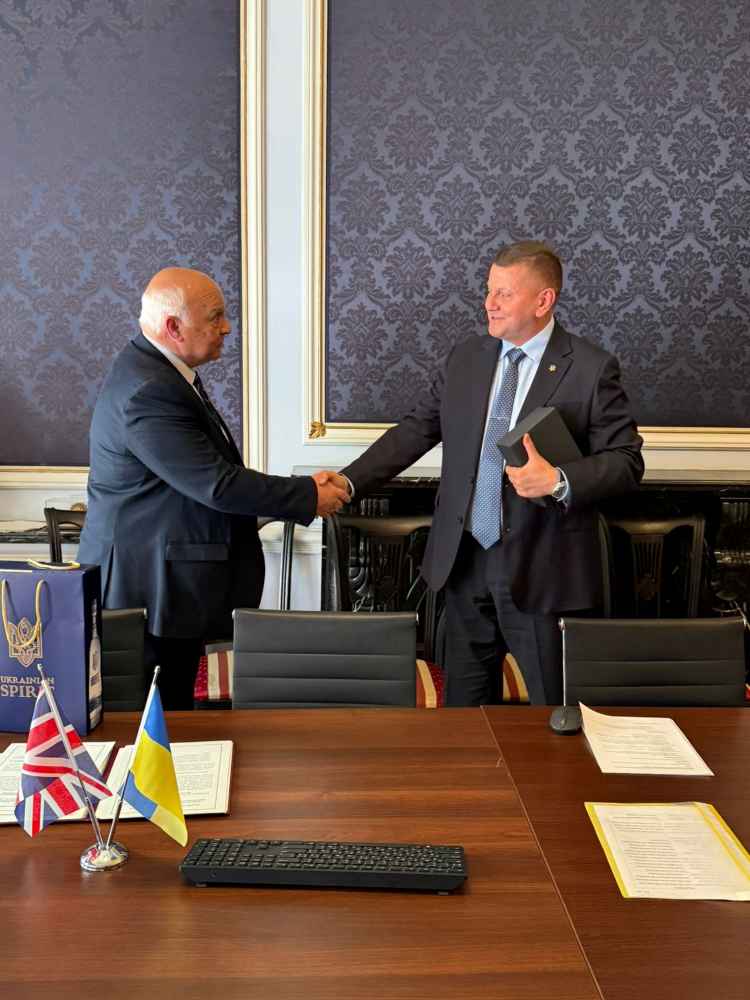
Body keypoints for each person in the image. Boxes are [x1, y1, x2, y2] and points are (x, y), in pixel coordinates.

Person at [330, 241, 644, 707]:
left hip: (543, 567)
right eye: (488, 290)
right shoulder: (467, 357)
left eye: (504, 294)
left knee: (549, 714)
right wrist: (348, 482)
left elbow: (626, 461)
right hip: (463, 560)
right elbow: (418, 429)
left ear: (543, 301)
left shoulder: (592, 369)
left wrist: (558, 479)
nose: (488, 303)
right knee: (464, 713)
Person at [78, 267, 347, 709]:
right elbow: (215, 484)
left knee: (172, 722)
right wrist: (305, 495)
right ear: (173, 327)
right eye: (216, 316)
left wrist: (299, 491)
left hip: (162, 585)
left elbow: (202, 478)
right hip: (146, 592)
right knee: (157, 731)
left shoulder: (159, 371)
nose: (226, 327)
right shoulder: (148, 390)